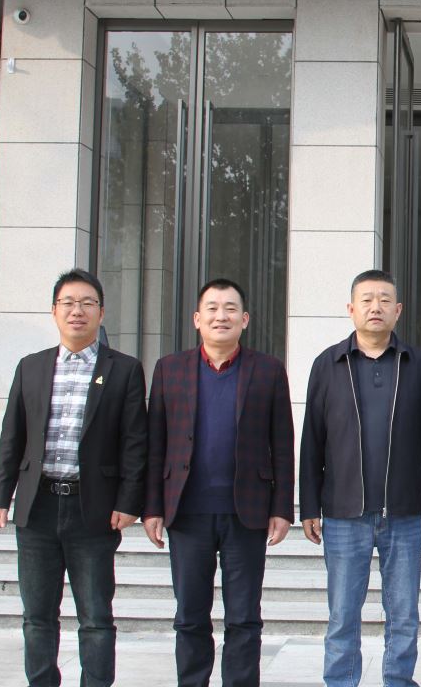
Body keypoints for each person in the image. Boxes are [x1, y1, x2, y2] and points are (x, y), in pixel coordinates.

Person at [0, 268, 148, 687]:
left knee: (95, 616)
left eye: (87, 303)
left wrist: (129, 501)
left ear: (101, 312)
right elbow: (12, 436)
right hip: (37, 506)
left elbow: (135, 442)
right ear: (54, 311)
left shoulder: (124, 370)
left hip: (91, 509)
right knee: (37, 615)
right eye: (69, 303)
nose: (77, 311)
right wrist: (0, 495)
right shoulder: (31, 367)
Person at [142, 277, 295, 687]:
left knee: (244, 617)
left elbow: (282, 444)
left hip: (247, 513)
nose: (220, 316)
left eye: (230, 309)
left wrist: (282, 508)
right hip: (186, 512)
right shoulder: (169, 369)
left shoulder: (268, 370)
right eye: (212, 308)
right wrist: (152, 506)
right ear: (197, 318)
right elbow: (155, 444)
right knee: (190, 615)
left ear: (245, 319)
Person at [300, 269, 421, 687]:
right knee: (343, 615)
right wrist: (309, 506)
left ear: (398, 310)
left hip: (404, 512)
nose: (375, 307)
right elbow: (312, 440)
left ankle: (398, 681)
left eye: (384, 300)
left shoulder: (418, 364)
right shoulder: (328, 364)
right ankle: (341, 682)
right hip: (344, 513)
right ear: (351, 309)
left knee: (403, 615)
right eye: (366, 300)